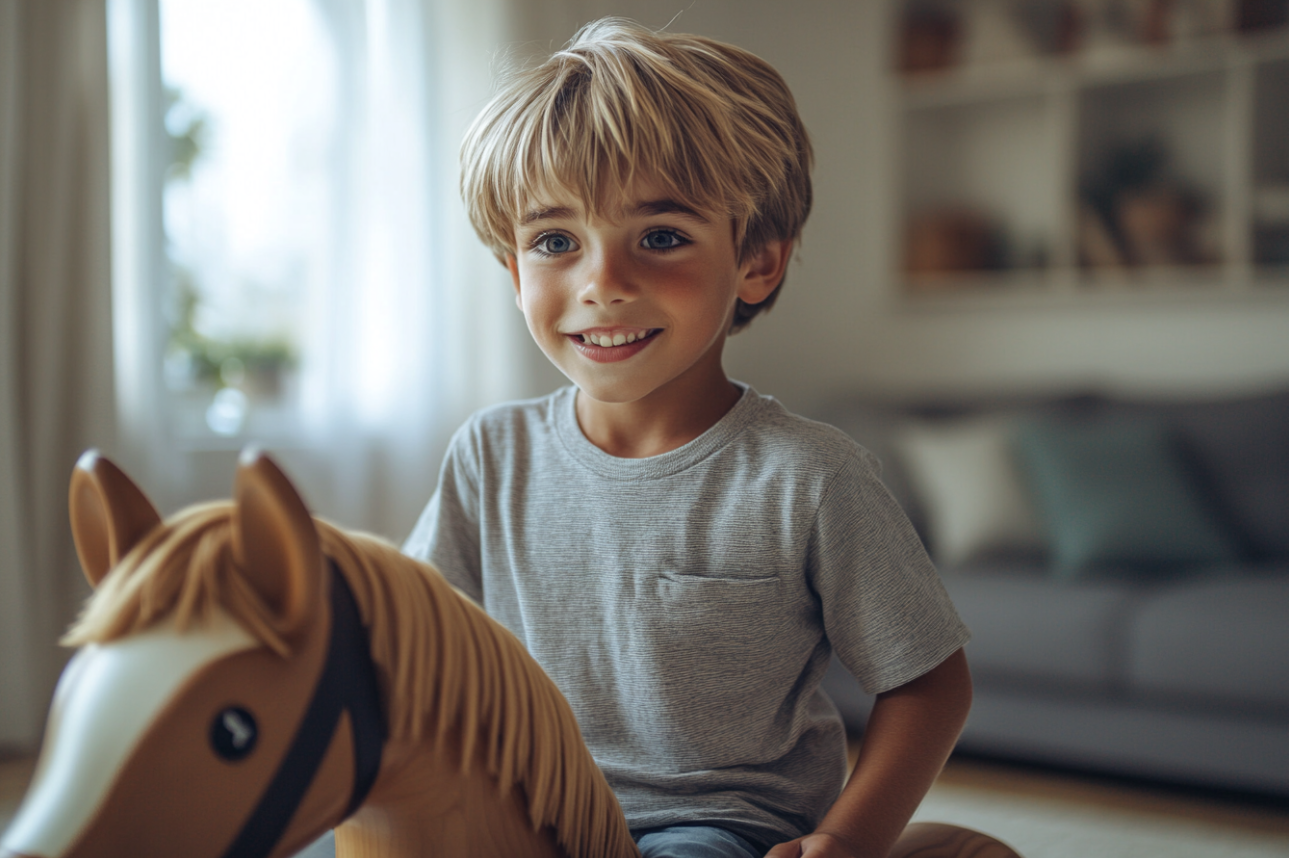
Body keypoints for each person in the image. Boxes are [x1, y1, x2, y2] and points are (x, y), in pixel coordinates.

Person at [403, 18, 972, 858]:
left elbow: (928, 684)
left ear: (756, 263)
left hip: (712, 825)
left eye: (660, 237)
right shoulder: (490, 457)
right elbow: (411, 640)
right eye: (555, 242)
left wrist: (849, 839)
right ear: (514, 270)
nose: (603, 284)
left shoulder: (808, 477)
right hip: (522, 810)